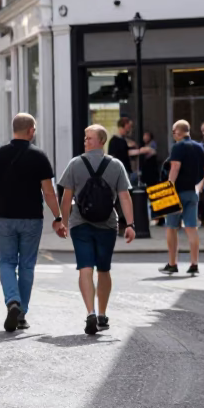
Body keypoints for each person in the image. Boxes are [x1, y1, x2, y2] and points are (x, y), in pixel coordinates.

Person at [0, 113, 65, 333]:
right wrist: (58, 217)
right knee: (27, 265)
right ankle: (21, 313)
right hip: (32, 218)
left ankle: (12, 301)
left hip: (5, 217)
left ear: (13, 129)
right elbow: (49, 192)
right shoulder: (39, 156)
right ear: (31, 130)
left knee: (6, 262)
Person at [58, 124, 135, 336]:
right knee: (103, 269)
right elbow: (124, 196)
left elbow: (66, 198)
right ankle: (100, 315)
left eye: (89, 138)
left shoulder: (75, 164)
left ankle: (92, 312)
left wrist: (63, 221)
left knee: (86, 267)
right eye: (85, 138)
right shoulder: (116, 165)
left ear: (102, 141)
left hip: (80, 223)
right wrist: (130, 224)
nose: (86, 141)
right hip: (108, 224)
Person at [159, 120, 204, 275]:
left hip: (177, 192)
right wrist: (199, 187)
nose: (173, 134)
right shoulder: (199, 147)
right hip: (192, 192)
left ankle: (172, 264)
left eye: (174, 132)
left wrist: (169, 187)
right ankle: (194, 264)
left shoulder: (178, 147)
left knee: (171, 228)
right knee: (191, 228)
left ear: (179, 132)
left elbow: (175, 167)